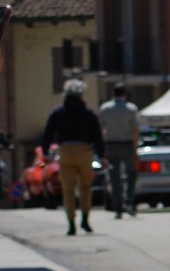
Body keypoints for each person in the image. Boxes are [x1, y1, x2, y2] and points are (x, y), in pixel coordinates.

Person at [41, 80, 105, 235]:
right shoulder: (89, 113)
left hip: (66, 151)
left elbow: (48, 133)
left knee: (68, 189)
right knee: (86, 187)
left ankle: (71, 222)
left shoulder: (58, 112)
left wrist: (45, 151)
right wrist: (101, 156)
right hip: (85, 151)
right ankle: (85, 218)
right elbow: (98, 136)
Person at [98, 83, 141, 217]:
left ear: (112, 94)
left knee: (114, 177)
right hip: (127, 145)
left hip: (111, 145)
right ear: (125, 94)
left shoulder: (105, 108)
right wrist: (135, 149)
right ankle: (128, 202)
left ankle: (118, 209)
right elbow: (135, 130)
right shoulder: (131, 109)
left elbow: (101, 129)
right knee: (131, 174)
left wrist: (102, 147)